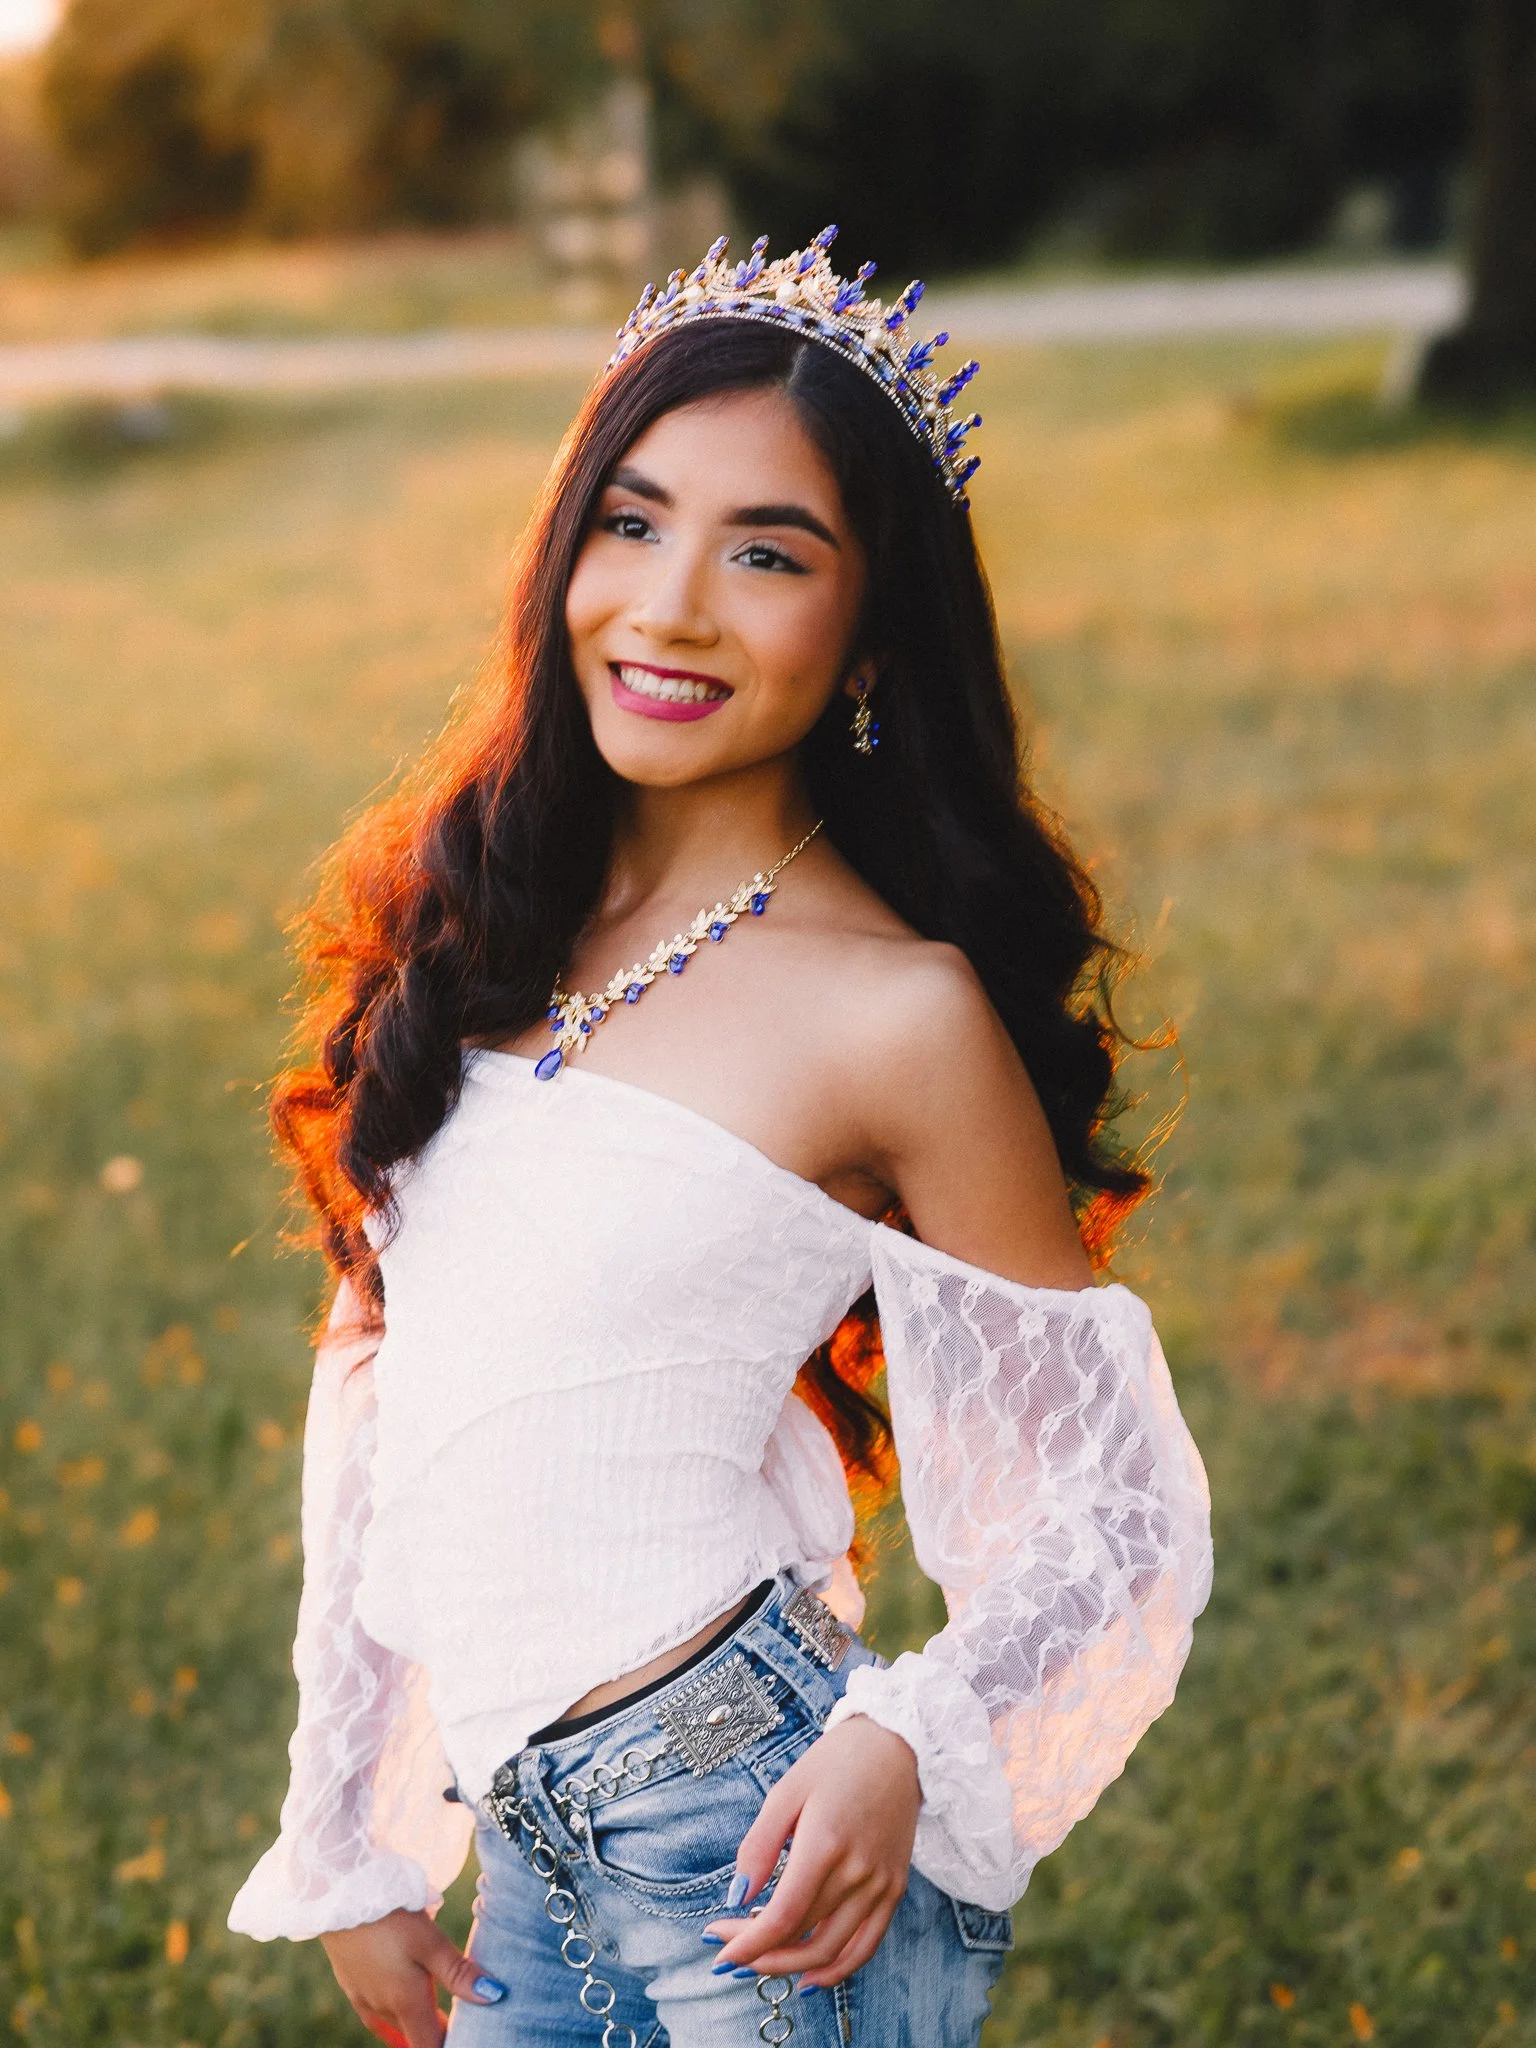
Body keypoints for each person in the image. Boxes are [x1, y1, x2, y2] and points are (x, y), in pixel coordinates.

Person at [227, 226, 1212, 2048]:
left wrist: (904, 1741)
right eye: (633, 520)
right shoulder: (483, 932)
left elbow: (1108, 1510)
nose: (671, 605)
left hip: (744, 1840)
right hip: (525, 1854)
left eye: (768, 554)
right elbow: (379, 1386)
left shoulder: (895, 1013)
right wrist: (357, 1836)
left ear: (869, 631)